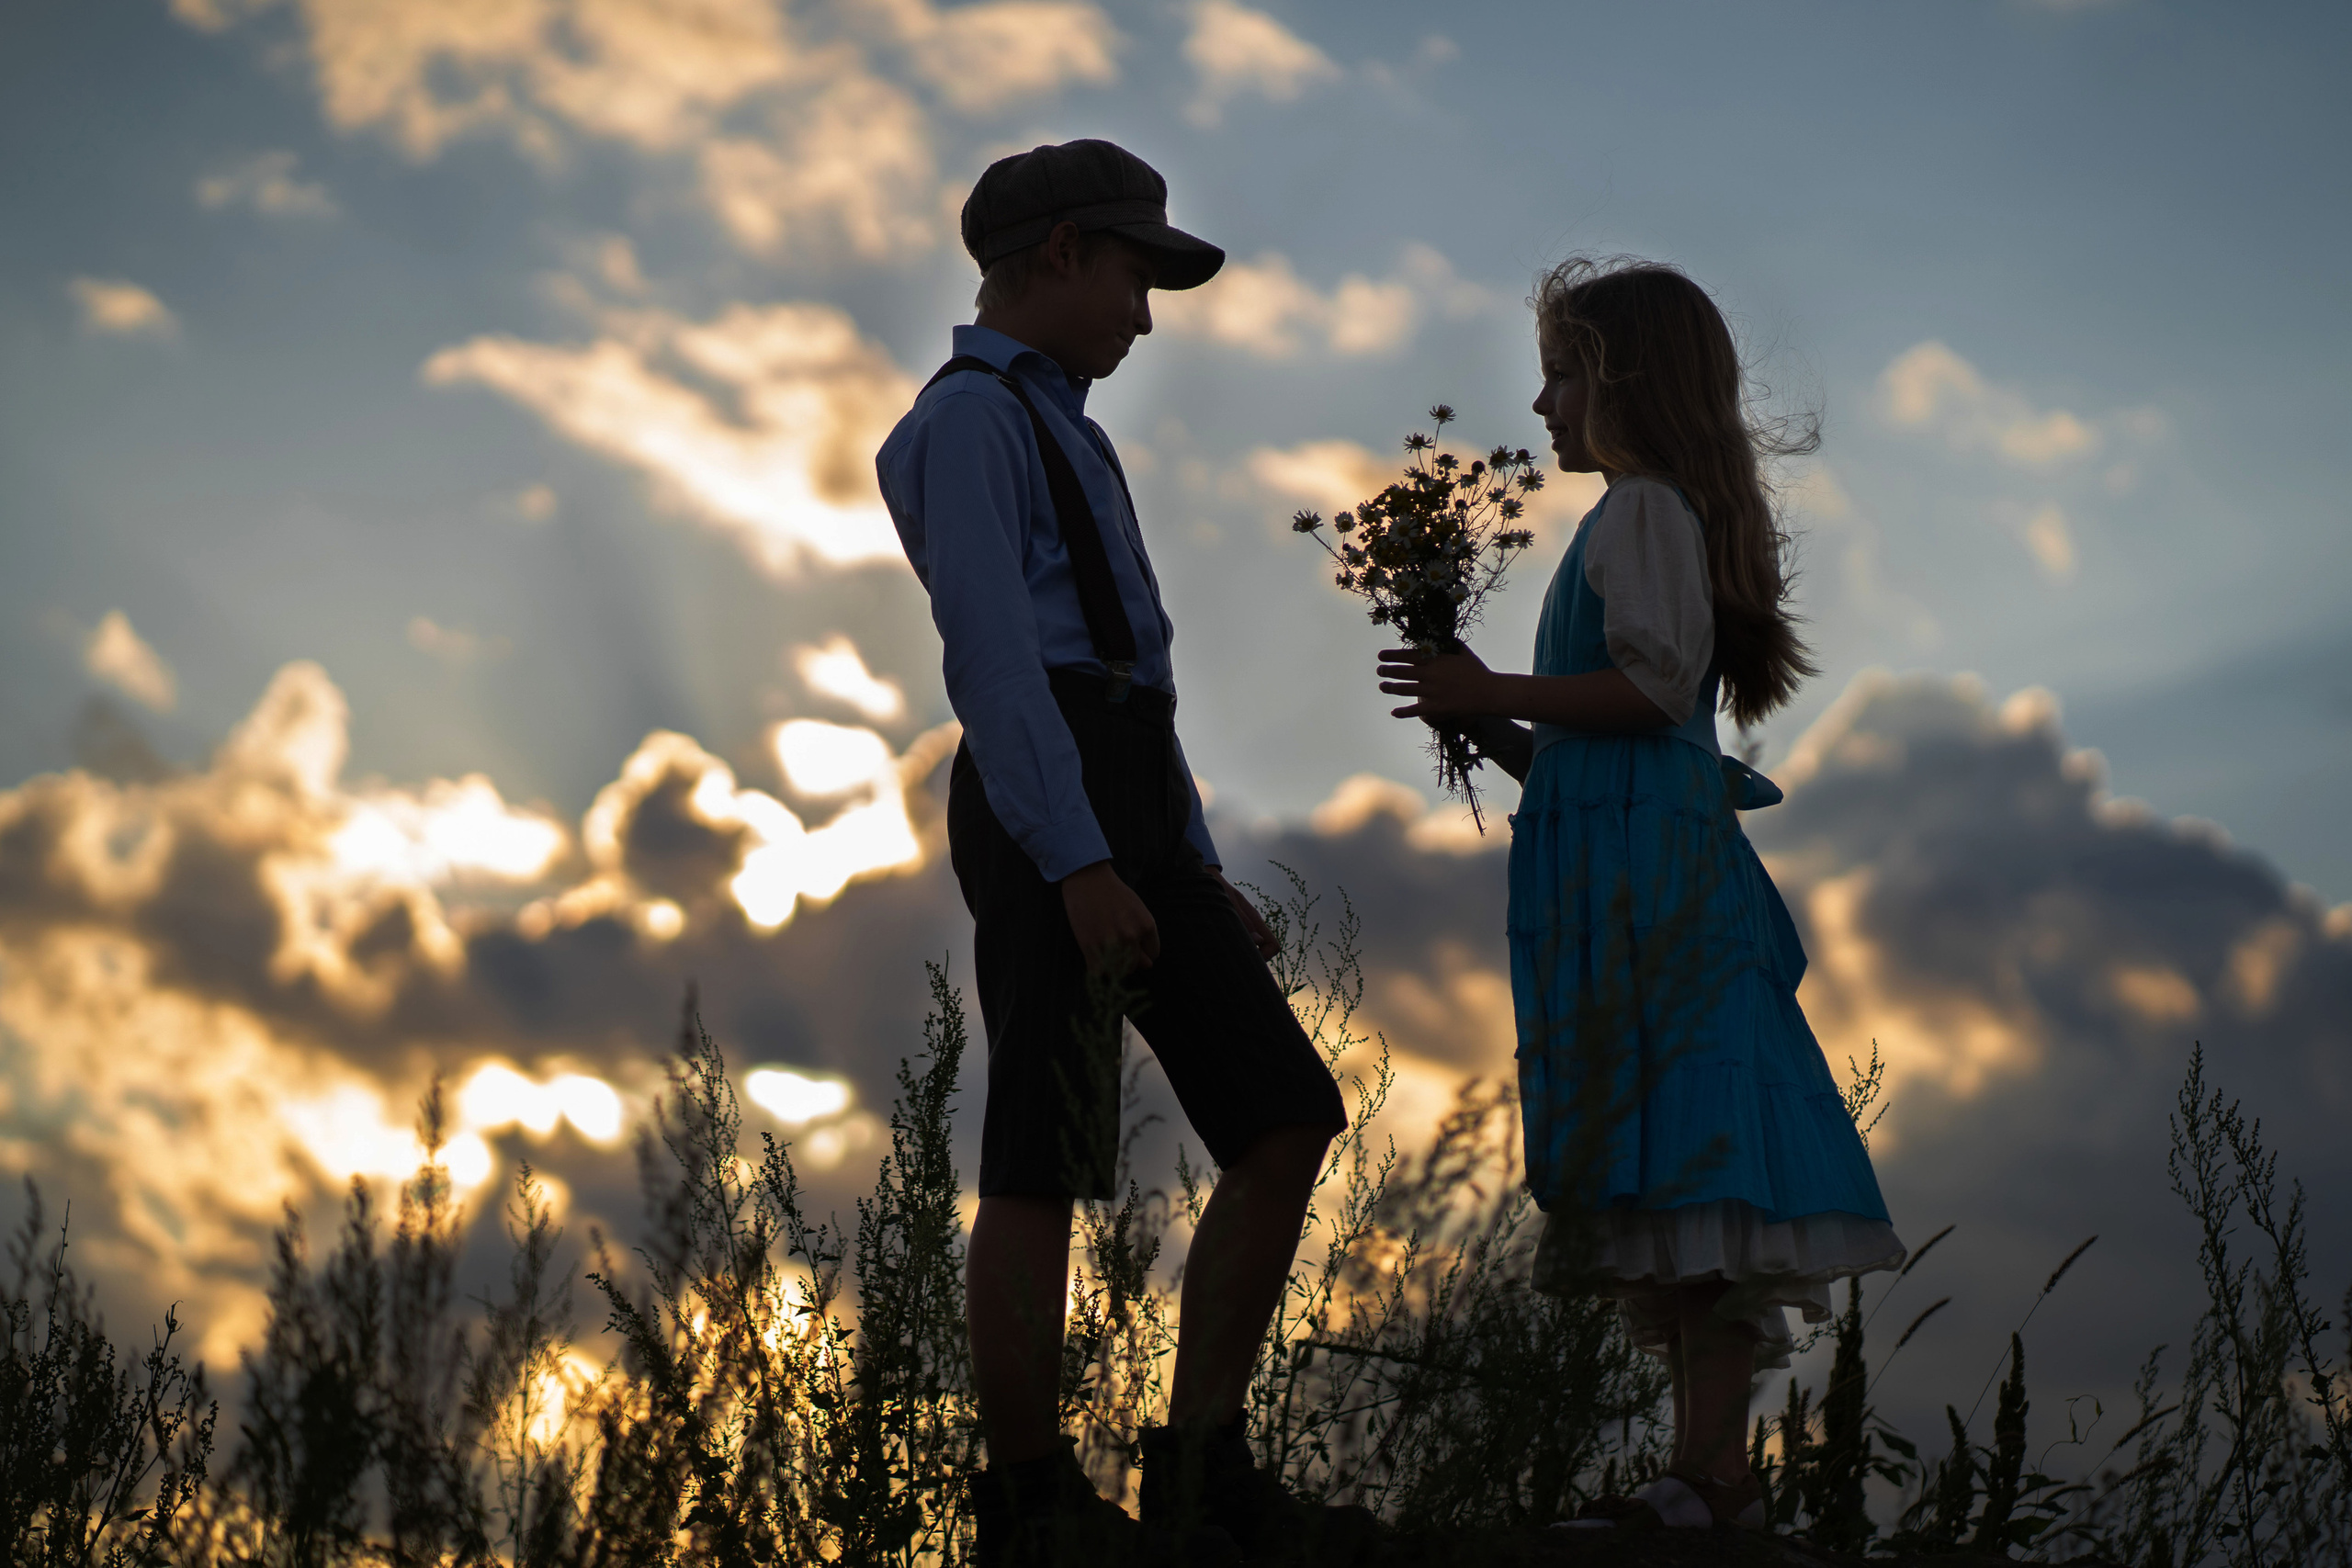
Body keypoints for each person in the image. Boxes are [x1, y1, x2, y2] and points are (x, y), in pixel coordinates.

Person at [1373, 255, 1906, 1530]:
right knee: (1665, 1168)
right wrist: (1481, 712)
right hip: (1622, 872)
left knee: (1698, 1165)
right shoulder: (1636, 519)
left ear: (1621, 380)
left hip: (1656, 893)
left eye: (1562, 375)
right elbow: (1602, 741)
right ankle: (1701, 1471)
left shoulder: (1644, 515)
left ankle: (1712, 1477)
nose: (1546, 406)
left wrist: (1491, 691)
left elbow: (1655, 693)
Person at [876, 139, 1351, 1566]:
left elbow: (1134, 670)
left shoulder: (1072, 428)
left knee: (1283, 1115)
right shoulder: (966, 421)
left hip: (1125, 781)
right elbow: (1000, 658)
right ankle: (1028, 1501)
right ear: (1064, 252)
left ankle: (1201, 1467)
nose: (1146, 316)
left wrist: (1186, 859)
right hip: (1046, 795)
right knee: (1043, 1144)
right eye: (1136, 277)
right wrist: (1078, 858)